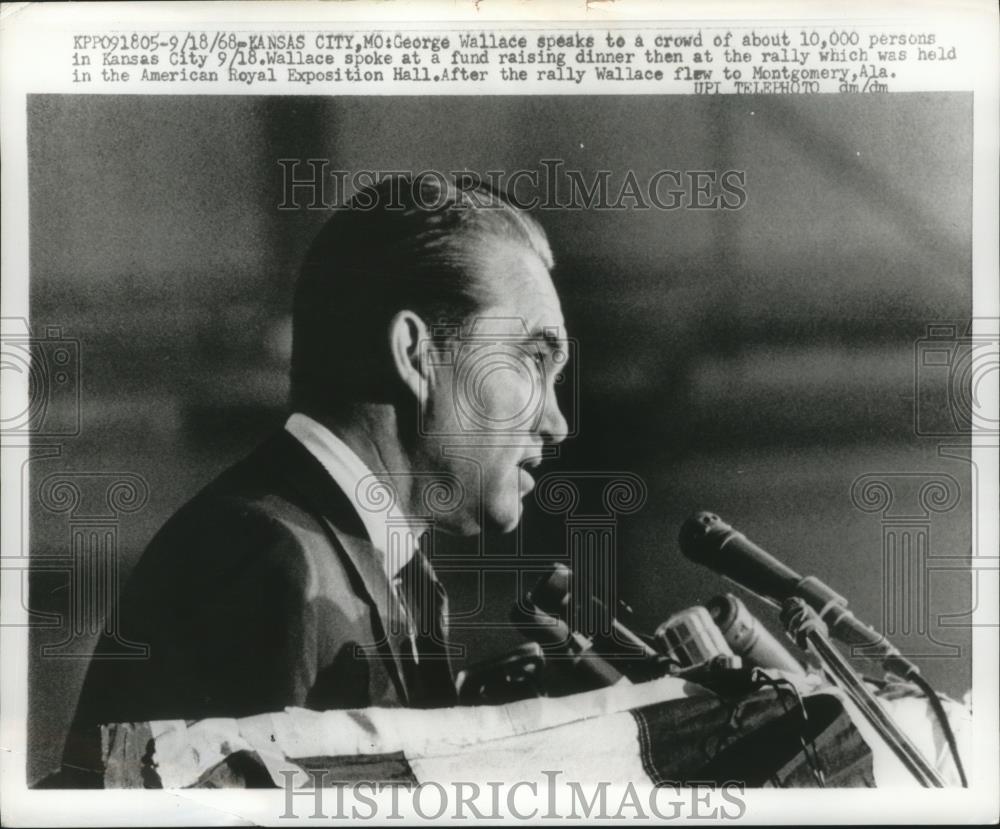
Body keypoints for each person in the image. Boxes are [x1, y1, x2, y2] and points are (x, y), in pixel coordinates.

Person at [63, 176, 570, 776]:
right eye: (534, 361)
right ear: (417, 354)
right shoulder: (273, 561)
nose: (555, 422)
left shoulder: (353, 554)